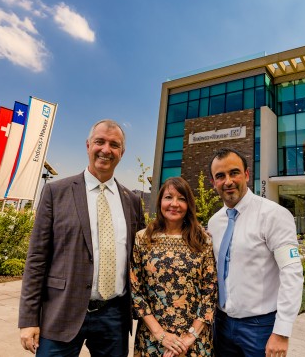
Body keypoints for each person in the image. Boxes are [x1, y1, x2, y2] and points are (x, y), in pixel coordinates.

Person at [19, 119, 145, 356]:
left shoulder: (132, 201)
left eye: (114, 145)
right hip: (62, 312)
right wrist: (28, 319)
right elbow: (36, 258)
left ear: (122, 152)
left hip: (113, 316)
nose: (106, 150)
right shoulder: (56, 193)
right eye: (100, 142)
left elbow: (141, 258)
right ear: (88, 145)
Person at [208, 147, 303, 357]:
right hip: (221, 324)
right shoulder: (214, 223)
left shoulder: (274, 215)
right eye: (220, 176)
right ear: (213, 182)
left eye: (234, 173)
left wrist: (282, 331)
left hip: (260, 328)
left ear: (247, 175)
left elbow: (292, 273)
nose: (228, 181)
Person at [131, 177, 217, 357]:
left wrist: (188, 338)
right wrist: (160, 335)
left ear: (189, 205)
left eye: (182, 199)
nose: (174, 204)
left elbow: (209, 292)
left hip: (194, 340)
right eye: (168, 197)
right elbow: (136, 291)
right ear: (160, 201)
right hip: (152, 338)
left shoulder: (202, 241)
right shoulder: (143, 238)